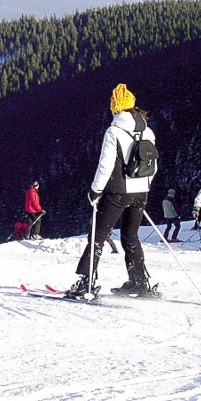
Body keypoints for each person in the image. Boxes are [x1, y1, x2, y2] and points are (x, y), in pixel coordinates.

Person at [65, 84, 158, 299]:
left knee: (97, 237)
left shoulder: (114, 131)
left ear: (116, 107)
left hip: (118, 192)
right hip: (141, 192)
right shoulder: (148, 131)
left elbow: (105, 165)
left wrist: (95, 191)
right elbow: (153, 163)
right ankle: (140, 282)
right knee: (131, 236)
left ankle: (86, 283)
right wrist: (145, 186)